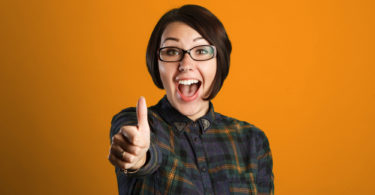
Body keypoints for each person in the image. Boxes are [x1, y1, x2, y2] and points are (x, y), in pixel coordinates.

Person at [108, 4, 274, 195]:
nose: (186, 65)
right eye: (171, 51)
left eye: (201, 51)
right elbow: (142, 152)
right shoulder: (137, 123)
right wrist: (137, 156)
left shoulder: (252, 140)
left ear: (219, 62)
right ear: (156, 64)